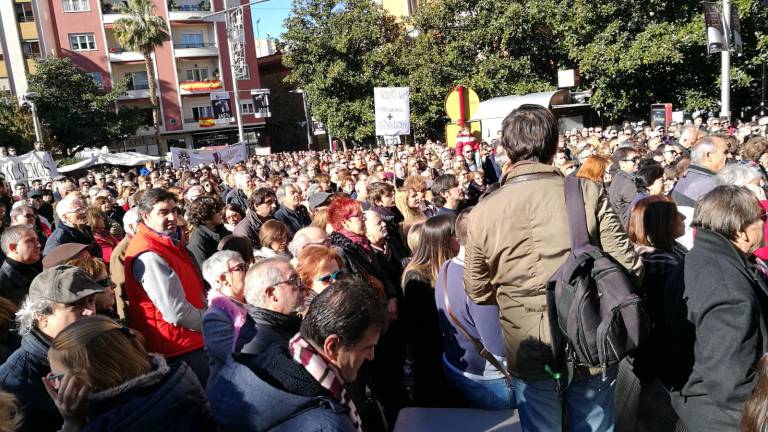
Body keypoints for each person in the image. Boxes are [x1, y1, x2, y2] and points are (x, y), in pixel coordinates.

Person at [464, 105, 643, 432]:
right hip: (590, 335)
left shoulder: (483, 211)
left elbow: (477, 290)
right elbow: (628, 265)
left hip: (528, 343)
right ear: (553, 143)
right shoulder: (586, 191)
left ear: (507, 148)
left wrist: (516, 295)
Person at [207, 277, 388, 431]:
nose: (371, 356)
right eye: (367, 347)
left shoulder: (276, 358)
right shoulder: (329, 425)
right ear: (331, 347)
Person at [666, 186, 768, 432]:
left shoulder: (697, 258)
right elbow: (731, 383)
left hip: (697, 404)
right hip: (726, 419)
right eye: (761, 218)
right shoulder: (729, 291)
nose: (764, 224)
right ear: (741, 230)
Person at [44, 315, 213, 432]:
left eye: (57, 378)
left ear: (88, 377)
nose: (56, 385)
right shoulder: (176, 380)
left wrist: (72, 425)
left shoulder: (111, 424)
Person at [0, 265, 103, 432]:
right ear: (41, 316)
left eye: (91, 301)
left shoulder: (98, 346)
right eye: (75, 305)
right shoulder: (11, 384)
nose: (90, 312)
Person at [124, 189, 208, 386]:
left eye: (174, 210)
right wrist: (211, 321)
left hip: (189, 339)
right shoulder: (149, 254)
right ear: (145, 216)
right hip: (179, 347)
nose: (172, 217)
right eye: (163, 212)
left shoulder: (166, 243)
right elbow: (176, 312)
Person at [434, 208, 512, 410]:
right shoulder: (477, 283)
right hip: (486, 381)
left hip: (455, 365)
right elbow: (498, 348)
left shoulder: (447, 266)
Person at [401, 214, 459, 407]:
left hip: (451, 354)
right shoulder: (416, 276)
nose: (460, 239)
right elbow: (423, 329)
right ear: (442, 240)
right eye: (455, 235)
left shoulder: (448, 266)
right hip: (433, 361)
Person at [327, 197, 400, 313]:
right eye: (359, 216)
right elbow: (350, 291)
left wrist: (392, 297)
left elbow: (381, 272)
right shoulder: (339, 252)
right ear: (345, 222)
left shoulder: (363, 243)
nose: (364, 219)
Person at [235, 257, 305, 356]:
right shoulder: (264, 346)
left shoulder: (283, 325)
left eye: (299, 279)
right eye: (293, 280)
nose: (303, 286)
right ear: (272, 293)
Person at [201, 251, 247, 379]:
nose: (248, 271)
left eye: (246, 266)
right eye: (241, 268)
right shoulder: (215, 317)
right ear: (223, 279)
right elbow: (233, 358)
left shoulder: (249, 303)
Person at [671, 136, 728, 207]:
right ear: (709, 156)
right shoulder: (708, 184)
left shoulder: (688, 176)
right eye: (725, 152)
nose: (729, 156)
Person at [44, 194, 102, 259]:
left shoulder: (84, 229)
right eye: (78, 210)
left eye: (84, 208)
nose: (84, 212)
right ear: (65, 217)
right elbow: (51, 263)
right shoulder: (59, 239)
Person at [109, 208, 140, 322]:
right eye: (142, 222)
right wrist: (126, 322)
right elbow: (120, 290)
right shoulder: (121, 251)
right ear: (131, 227)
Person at [0, 225, 42, 305]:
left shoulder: (37, 267)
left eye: (37, 240)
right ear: (13, 248)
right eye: (31, 241)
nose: (38, 245)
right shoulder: (3, 284)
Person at [185, 196, 230, 269]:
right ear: (205, 214)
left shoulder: (221, 230)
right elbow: (205, 270)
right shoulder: (198, 241)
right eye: (216, 211)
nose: (220, 213)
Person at [296, 245, 344, 309]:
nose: (335, 280)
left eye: (338, 274)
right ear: (308, 283)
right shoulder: (312, 312)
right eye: (326, 279)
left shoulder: (345, 297)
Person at [608, 147, 640, 223]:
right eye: (634, 159)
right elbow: (639, 206)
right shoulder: (627, 184)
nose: (638, 161)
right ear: (622, 163)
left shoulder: (620, 177)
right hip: (629, 226)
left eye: (638, 158)